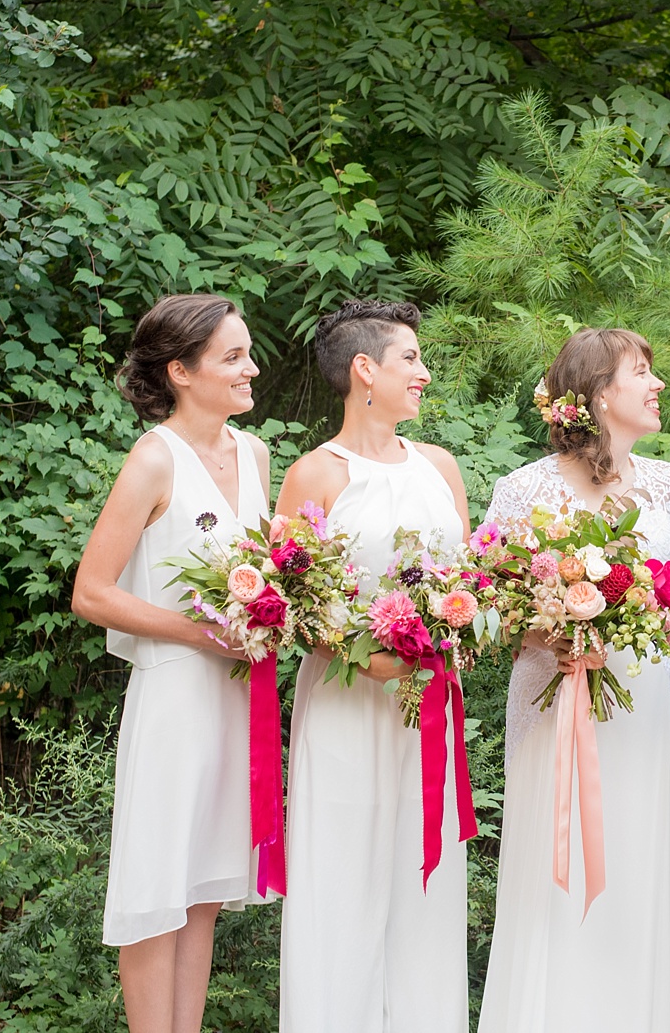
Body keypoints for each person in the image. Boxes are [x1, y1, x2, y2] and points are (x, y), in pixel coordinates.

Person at [478, 328, 670, 1033]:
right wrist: (560, 630)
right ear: (601, 393)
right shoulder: (526, 488)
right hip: (558, 704)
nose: (659, 383)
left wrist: (656, 623)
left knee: (643, 874)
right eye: (643, 372)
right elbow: (489, 607)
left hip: (649, 707)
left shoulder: (669, 481)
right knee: (560, 871)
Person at [71, 294, 271, 1033]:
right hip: (173, 699)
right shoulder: (154, 458)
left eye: (247, 352)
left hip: (233, 695)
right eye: (233, 356)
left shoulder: (255, 454)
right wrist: (195, 631)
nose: (251, 367)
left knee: (201, 894)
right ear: (182, 371)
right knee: (156, 894)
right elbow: (90, 591)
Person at [273, 300, 472, 1032]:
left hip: (427, 706)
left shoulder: (441, 466)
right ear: (365, 369)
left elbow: (468, 581)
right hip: (349, 704)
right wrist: (369, 653)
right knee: (343, 886)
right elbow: (291, 602)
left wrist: (454, 636)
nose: (423, 373)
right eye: (410, 359)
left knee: (426, 892)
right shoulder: (315, 474)